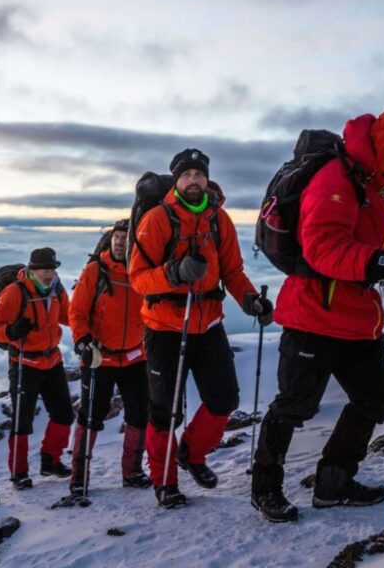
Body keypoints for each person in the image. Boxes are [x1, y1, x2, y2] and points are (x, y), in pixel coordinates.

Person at [251, 104, 384, 523]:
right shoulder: (336, 179)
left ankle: (333, 483)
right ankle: (265, 487)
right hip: (313, 315)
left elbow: (360, 247)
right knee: (294, 405)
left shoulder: (369, 183)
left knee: (374, 397)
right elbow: (323, 248)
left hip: (355, 316)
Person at [129, 148, 273, 508]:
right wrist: (175, 273)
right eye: (187, 174)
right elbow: (137, 279)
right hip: (163, 326)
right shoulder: (158, 220)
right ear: (176, 181)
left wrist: (250, 300)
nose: (194, 180)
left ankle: (191, 454)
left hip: (208, 322)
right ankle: (165, 481)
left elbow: (233, 271)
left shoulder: (218, 220)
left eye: (199, 174)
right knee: (164, 410)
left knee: (224, 399)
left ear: (207, 179)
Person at [68, 219, 152, 495]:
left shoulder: (141, 273)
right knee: (91, 415)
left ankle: (132, 472)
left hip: (134, 357)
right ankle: (78, 477)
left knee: (139, 414)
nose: (119, 242)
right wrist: (81, 341)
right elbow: (77, 312)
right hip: (98, 357)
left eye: (125, 238)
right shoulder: (96, 271)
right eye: (116, 236)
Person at [0, 247, 75, 489]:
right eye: (44, 270)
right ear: (32, 270)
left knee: (64, 414)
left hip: (52, 360)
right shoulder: (15, 292)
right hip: (24, 362)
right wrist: (11, 331)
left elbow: (69, 316)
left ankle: (50, 461)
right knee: (22, 420)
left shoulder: (56, 290)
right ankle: (19, 473)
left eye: (52, 269)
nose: (49, 274)